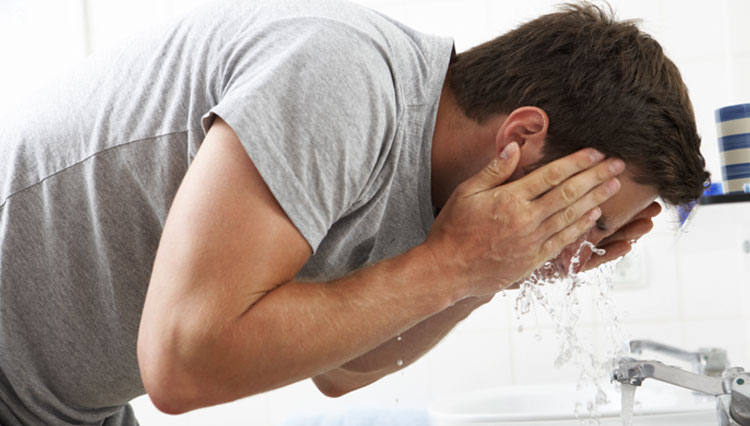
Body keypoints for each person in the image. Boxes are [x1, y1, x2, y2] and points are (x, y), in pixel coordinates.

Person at [0, 0, 709, 424]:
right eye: (590, 213)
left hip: (66, 405)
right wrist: (456, 262)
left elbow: (342, 369)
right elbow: (182, 365)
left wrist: (489, 271)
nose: (583, 241)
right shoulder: (343, 82)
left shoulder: (432, 184)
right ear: (523, 139)